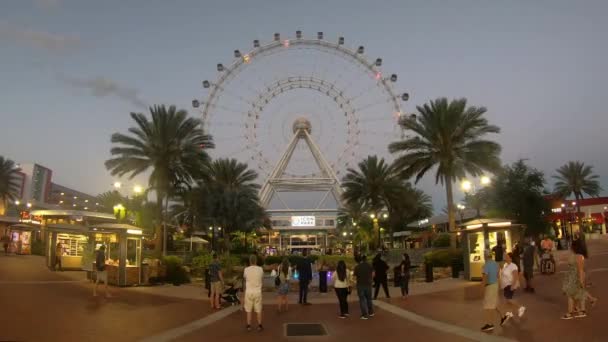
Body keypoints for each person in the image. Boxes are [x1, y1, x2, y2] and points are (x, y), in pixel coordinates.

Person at [561, 239, 590, 319]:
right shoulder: (577, 256)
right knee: (577, 294)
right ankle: (580, 310)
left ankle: (570, 313)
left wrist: (581, 281)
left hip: (574, 278)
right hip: (572, 277)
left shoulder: (578, 257)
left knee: (571, 295)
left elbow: (580, 270)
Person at [499, 252, 526, 326]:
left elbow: (516, 276)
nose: (505, 257)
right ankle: (510, 312)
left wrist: (513, 285)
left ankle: (520, 307)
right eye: (505, 256)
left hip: (510, 284)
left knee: (508, 299)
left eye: (507, 256)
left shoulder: (513, 266)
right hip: (505, 285)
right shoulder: (505, 265)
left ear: (510, 258)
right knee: (507, 300)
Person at [480, 250, 500, 332]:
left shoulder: (486, 265)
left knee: (488, 307)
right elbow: (498, 275)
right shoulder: (496, 264)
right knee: (492, 305)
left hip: (489, 286)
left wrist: (482, 288)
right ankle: (490, 323)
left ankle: (490, 324)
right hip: (495, 285)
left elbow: (484, 277)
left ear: (485, 256)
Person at [244, 254, 264, 331]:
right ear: (256, 261)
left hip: (249, 291)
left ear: (250, 261)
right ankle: (259, 325)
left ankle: (249, 325)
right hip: (257, 291)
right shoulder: (260, 269)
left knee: (248, 310)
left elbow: (245, 278)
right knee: (258, 309)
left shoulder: (246, 269)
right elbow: (262, 279)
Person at [353, 254, 374, 320]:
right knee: (369, 299)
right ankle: (371, 312)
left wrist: (354, 282)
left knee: (362, 300)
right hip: (368, 284)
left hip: (360, 285)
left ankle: (364, 315)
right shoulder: (369, 265)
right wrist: (371, 280)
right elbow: (373, 274)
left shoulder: (357, 267)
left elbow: (354, 277)